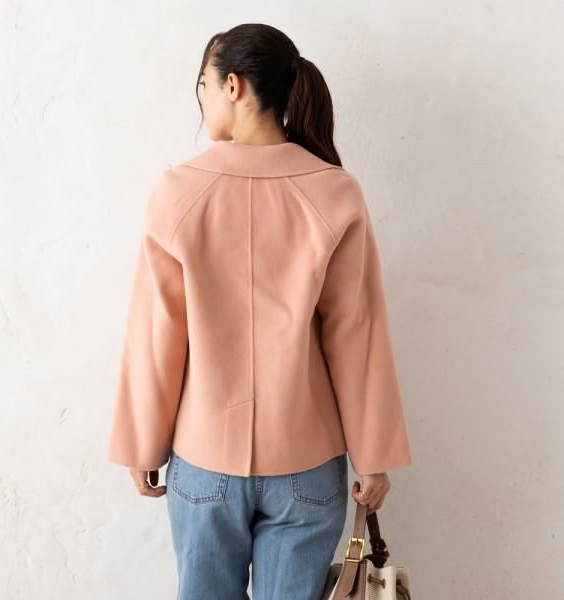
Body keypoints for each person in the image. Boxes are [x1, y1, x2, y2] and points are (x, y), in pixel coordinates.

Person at [106, 22, 412, 599]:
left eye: (202, 83)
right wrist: (373, 456)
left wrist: (144, 444)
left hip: (204, 459)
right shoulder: (335, 191)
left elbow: (158, 332)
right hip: (308, 463)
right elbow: (357, 333)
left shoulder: (177, 191)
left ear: (233, 86)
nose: (200, 98)